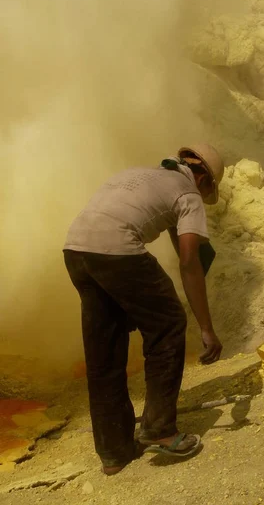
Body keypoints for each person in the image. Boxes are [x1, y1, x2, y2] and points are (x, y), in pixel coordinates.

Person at [63, 144, 224, 475]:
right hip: (116, 251)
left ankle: (114, 452)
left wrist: (133, 305)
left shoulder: (136, 174)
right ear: (203, 179)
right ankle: (160, 429)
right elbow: (189, 260)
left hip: (76, 251)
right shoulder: (189, 195)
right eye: (209, 189)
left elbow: (167, 232)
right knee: (168, 324)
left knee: (103, 354)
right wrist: (206, 328)